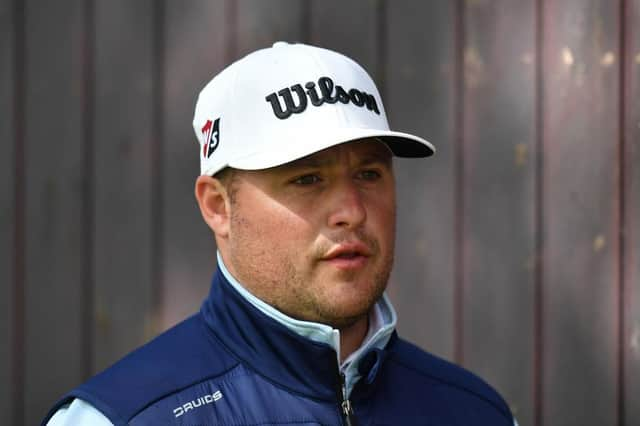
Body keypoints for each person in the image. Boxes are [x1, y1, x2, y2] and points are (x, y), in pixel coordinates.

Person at [43, 42, 516, 425]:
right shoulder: (123, 418)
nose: (351, 211)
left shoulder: (476, 412)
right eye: (307, 179)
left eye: (370, 174)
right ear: (218, 207)